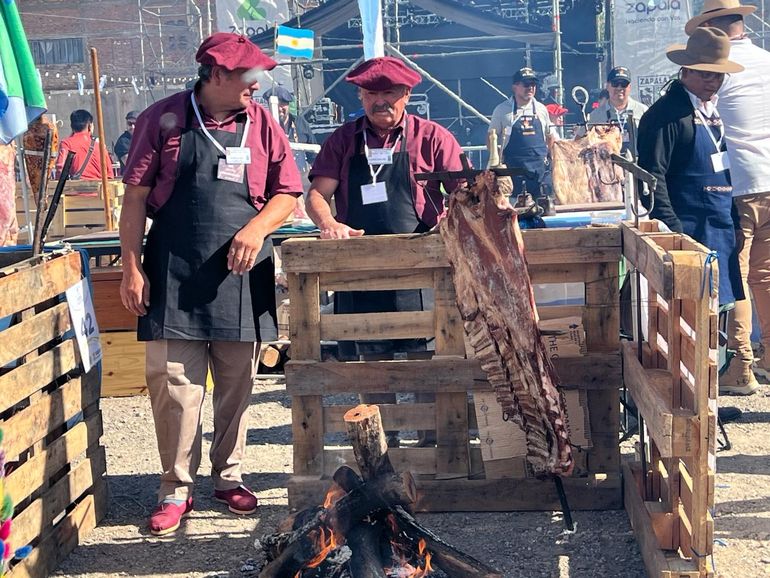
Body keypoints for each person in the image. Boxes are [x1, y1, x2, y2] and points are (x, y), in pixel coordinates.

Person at [118, 32, 302, 535]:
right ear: (217, 74)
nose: (257, 85)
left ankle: (228, 476)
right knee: (174, 383)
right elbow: (135, 198)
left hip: (242, 271)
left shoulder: (262, 123)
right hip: (173, 266)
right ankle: (175, 488)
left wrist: (256, 229)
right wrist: (131, 267)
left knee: (237, 381)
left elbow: (288, 192)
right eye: (249, 76)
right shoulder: (163, 118)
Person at [305, 56, 464, 445]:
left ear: (406, 94)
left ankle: (431, 442)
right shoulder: (343, 140)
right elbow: (317, 194)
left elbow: (463, 192)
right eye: (371, 93)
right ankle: (382, 447)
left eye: (390, 93)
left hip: (421, 265)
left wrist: (450, 219)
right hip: (361, 266)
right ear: (360, 96)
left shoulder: (432, 137)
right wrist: (329, 223)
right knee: (372, 362)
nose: (381, 101)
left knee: (425, 359)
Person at [638, 28, 745, 362]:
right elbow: (652, 177)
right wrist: (674, 230)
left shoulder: (714, 113)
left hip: (720, 225)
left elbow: (726, 170)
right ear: (685, 72)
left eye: (718, 76)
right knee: (686, 321)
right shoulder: (664, 115)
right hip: (687, 228)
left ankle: (715, 385)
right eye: (706, 74)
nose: (713, 82)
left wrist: (735, 221)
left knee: (717, 316)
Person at [686, 0, 769, 394]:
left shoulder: (720, 69)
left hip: (738, 185)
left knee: (737, 277)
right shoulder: (767, 61)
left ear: (714, 28)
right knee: (766, 276)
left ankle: (742, 364)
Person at [489, 66, 558, 199]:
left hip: (539, 174)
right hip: (513, 174)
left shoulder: (541, 109)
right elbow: (490, 137)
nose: (530, 88)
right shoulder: (502, 110)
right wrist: (497, 162)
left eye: (533, 84)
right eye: (526, 84)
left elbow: (550, 136)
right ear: (515, 87)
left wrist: (552, 159)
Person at [589, 67, 648, 155]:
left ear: (629, 87)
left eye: (624, 84)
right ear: (607, 86)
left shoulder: (643, 111)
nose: (619, 88)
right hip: (608, 162)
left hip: (637, 161)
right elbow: (579, 140)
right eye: (615, 84)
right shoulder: (596, 115)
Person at [262, 86, 317, 173]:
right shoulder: (264, 125)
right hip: (273, 175)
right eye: (276, 105)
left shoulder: (300, 122)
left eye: (282, 104)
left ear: (288, 104)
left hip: (300, 174)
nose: (279, 108)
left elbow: (313, 154)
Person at [55, 109, 113, 180]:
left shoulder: (66, 143)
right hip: (99, 186)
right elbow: (110, 174)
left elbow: (61, 168)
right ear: (90, 126)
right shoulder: (100, 146)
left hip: (76, 186)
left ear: (72, 126)